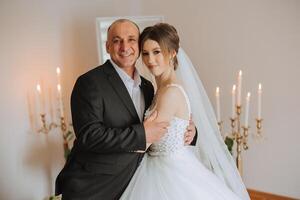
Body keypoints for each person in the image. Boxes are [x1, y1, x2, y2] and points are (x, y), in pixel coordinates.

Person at [55, 19, 197, 200]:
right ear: (107, 46)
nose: (124, 46)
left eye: (131, 39)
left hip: (138, 185)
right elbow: (90, 136)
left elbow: (165, 126)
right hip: (95, 188)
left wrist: (189, 130)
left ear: (138, 45)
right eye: (116, 40)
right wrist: (142, 135)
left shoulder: (148, 87)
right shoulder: (89, 82)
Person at [119, 23, 251, 200]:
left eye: (157, 52)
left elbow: (146, 141)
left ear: (172, 52)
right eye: (145, 53)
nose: (150, 60)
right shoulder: (158, 89)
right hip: (163, 167)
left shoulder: (171, 93)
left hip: (169, 174)